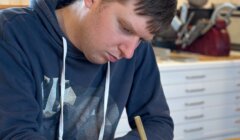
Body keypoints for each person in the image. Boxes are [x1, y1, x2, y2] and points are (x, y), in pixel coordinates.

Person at [0, 0, 176, 139]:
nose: (129, 52)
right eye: (125, 28)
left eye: (142, 39)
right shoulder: (11, 33)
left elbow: (157, 123)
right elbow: (13, 133)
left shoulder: (137, 50)